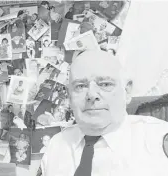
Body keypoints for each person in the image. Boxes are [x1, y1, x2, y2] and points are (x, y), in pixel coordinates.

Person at [40, 50, 168, 176]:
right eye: (80, 86)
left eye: (105, 84)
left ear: (127, 92)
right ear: (69, 97)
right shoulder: (56, 145)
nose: (92, 94)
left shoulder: (157, 139)